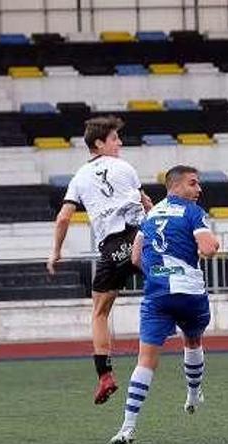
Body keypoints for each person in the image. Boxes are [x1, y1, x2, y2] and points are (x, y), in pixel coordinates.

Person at [109, 166, 219, 444]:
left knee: (145, 361)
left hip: (157, 294)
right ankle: (193, 394)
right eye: (194, 183)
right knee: (193, 341)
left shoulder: (151, 216)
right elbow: (208, 248)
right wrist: (213, 242)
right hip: (190, 293)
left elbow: (135, 258)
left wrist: (157, 270)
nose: (199, 189)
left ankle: (127, 427)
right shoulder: (193, 212)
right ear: (177, 186)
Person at [48, 116, 153, 405]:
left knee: (99, 312)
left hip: (111, 249)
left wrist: (56, 251)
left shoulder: (79, 178)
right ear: (99, 143)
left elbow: (64, 217)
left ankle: (104, 375)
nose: (120, 143)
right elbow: (146, 204)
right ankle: (182, 330)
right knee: (165, 280)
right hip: (139, 238)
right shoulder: (125, 168)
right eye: (115, 139)